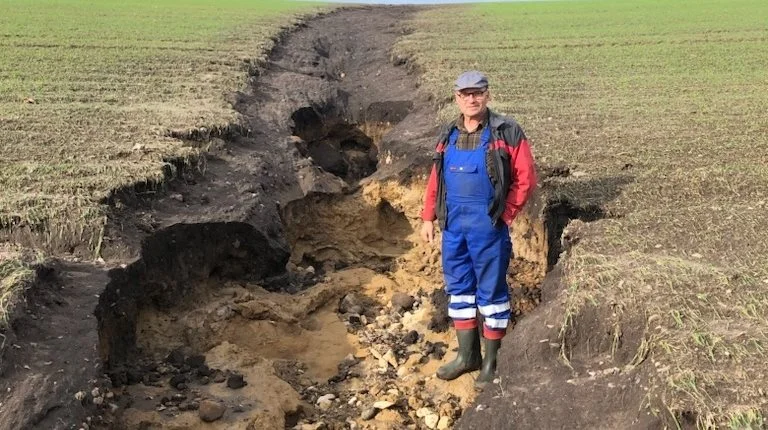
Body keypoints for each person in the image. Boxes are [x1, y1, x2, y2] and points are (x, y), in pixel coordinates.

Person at [420, 70, 537, 389]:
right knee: (458, 291)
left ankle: (491, 361)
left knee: (492, 294)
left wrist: (507, 214)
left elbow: (526, 178)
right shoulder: (448, 135)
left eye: (477, 93)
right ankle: (467, 356)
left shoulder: (507, 131)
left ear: (487, 95)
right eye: (464, 94)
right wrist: (428, 216)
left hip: (488, 228)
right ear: (457, 98)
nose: (471, 99)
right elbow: (437, 178)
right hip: (454, 228)